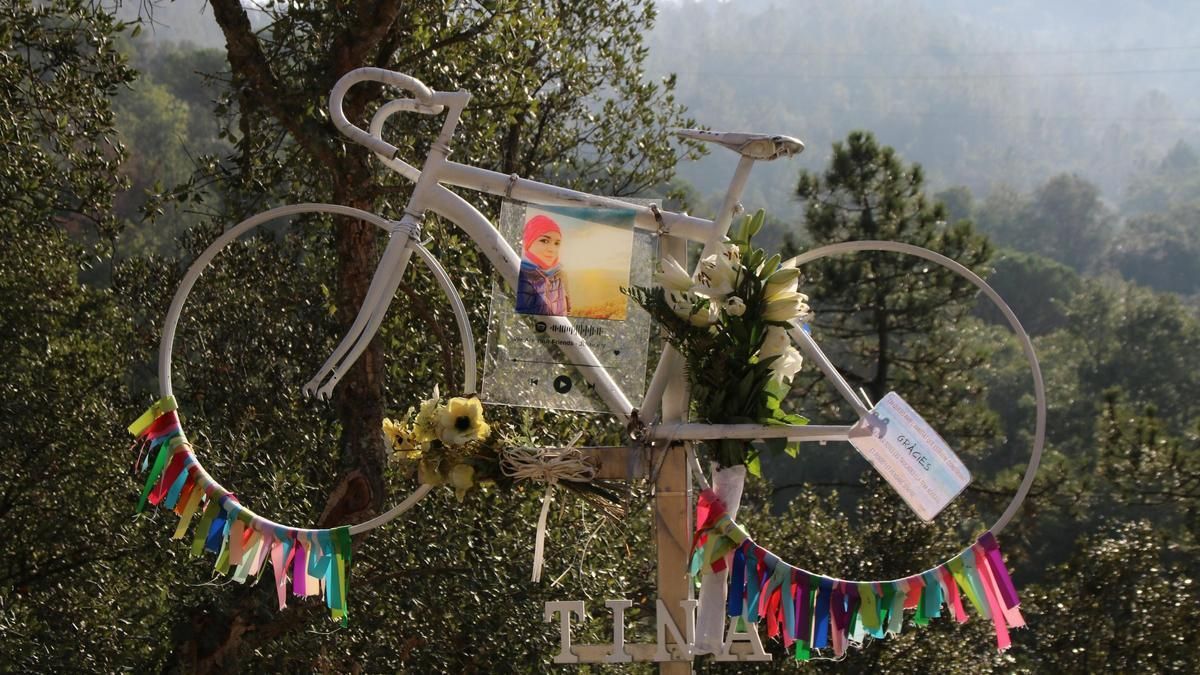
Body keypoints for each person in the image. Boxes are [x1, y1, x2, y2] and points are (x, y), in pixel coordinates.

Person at [516, 214, 570, 316]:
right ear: (529, 242)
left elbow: (568, 312)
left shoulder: (560, 275)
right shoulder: (521, 274)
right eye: (544, 241)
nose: (552, 249)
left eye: (556, 243)